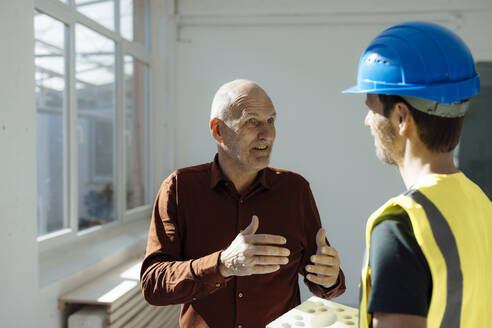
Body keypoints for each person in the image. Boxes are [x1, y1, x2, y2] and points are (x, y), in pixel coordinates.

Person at [141, 79, 346, 328]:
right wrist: (223, 264)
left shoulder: (295, 190)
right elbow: (153, 284)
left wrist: (329, 277)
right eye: (252, 121)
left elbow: (322, 279)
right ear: (218, 130)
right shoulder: (179, 189)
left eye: (271, 121)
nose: (267, 133)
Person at [343, 21, 492, 327]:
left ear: (400, 117)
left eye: (371, 106)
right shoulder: (482, 206)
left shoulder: (400, 225)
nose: (368, 121)